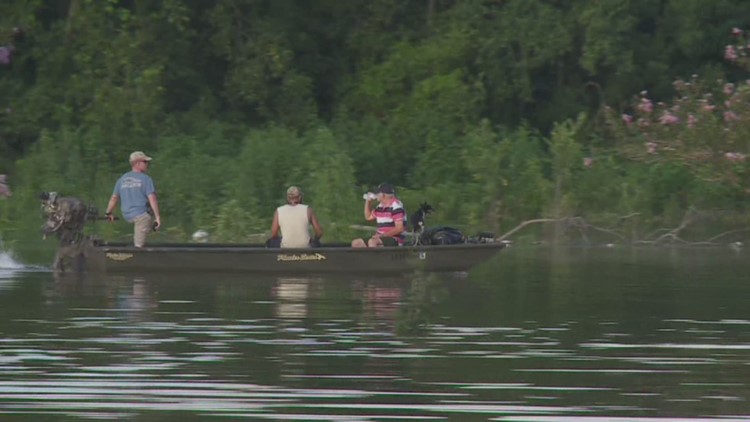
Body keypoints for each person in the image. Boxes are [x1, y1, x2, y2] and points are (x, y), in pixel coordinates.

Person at [105, 151, 161, 247]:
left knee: (143, 231)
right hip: (141, 216)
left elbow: (114, 198)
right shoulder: (146, 179)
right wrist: (158, 217)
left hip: (127, 215)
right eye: (145, 162)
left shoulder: (122, 179)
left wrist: (108, 213)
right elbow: (152, 199)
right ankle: (137, 255)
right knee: (139, 246)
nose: (147, 164)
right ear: (137, 163)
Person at [351, 182, 406, 247]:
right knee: (356, 243)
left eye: (377, 193)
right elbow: (368, 217)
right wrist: (368, 201)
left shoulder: (396, 206)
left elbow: (399, 228)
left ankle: (374, 257)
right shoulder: (380, 207)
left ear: (383, 195)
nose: (376, 195)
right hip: (380, 237)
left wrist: (383, 235)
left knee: (373, 242)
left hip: (394, 238)